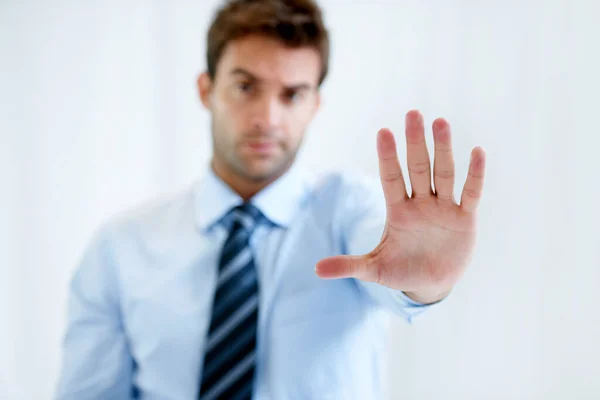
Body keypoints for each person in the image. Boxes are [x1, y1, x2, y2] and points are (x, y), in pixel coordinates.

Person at [55, 0, 486, 399]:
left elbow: (388, 257)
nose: (267, 118)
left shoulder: (350, 211)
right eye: (246, 87)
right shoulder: (121, 247)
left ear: (314, 105)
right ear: (206, 89)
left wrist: (425, 283)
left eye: (292, 94)